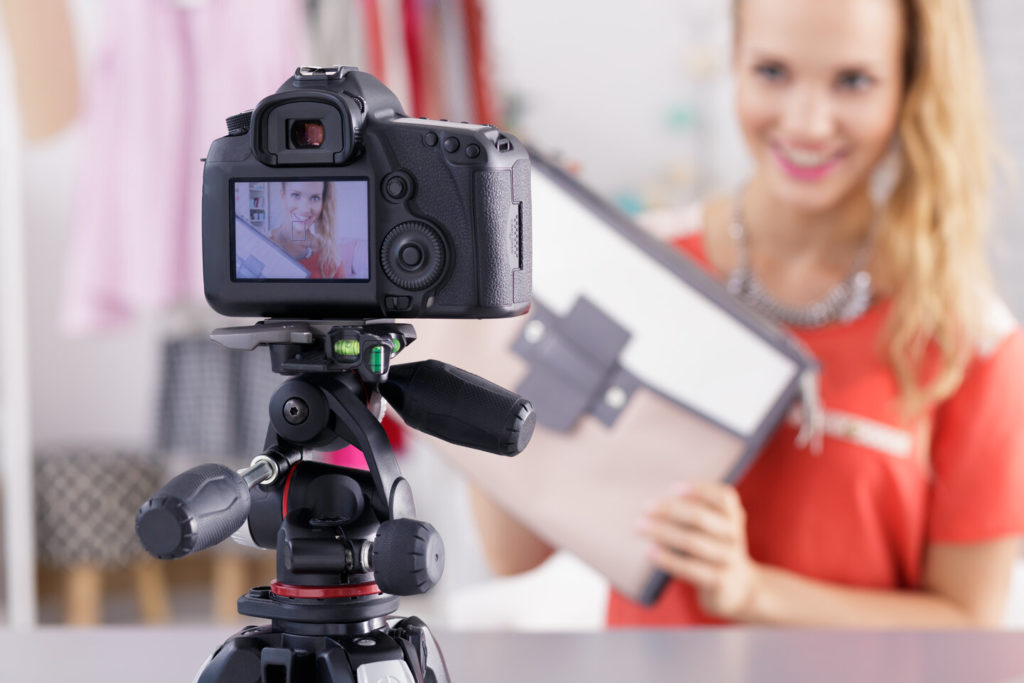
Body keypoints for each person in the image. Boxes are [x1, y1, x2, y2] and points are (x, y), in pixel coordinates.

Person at [471, 0, 1024, 627]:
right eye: (772, 72)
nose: (808, 123)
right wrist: (494, 323)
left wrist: (753, 593)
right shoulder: (638, 270)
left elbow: (971, 628)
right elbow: (512, 552)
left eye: (854, 81)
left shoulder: (972, 342)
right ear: (734, 62)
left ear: (909, 85)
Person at [269, 180, 346, 278]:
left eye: (315, 198)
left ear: (323, 203)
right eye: (296, 195)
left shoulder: (331, 259)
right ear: (283, 196)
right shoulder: (259, 244)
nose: (305, 209)